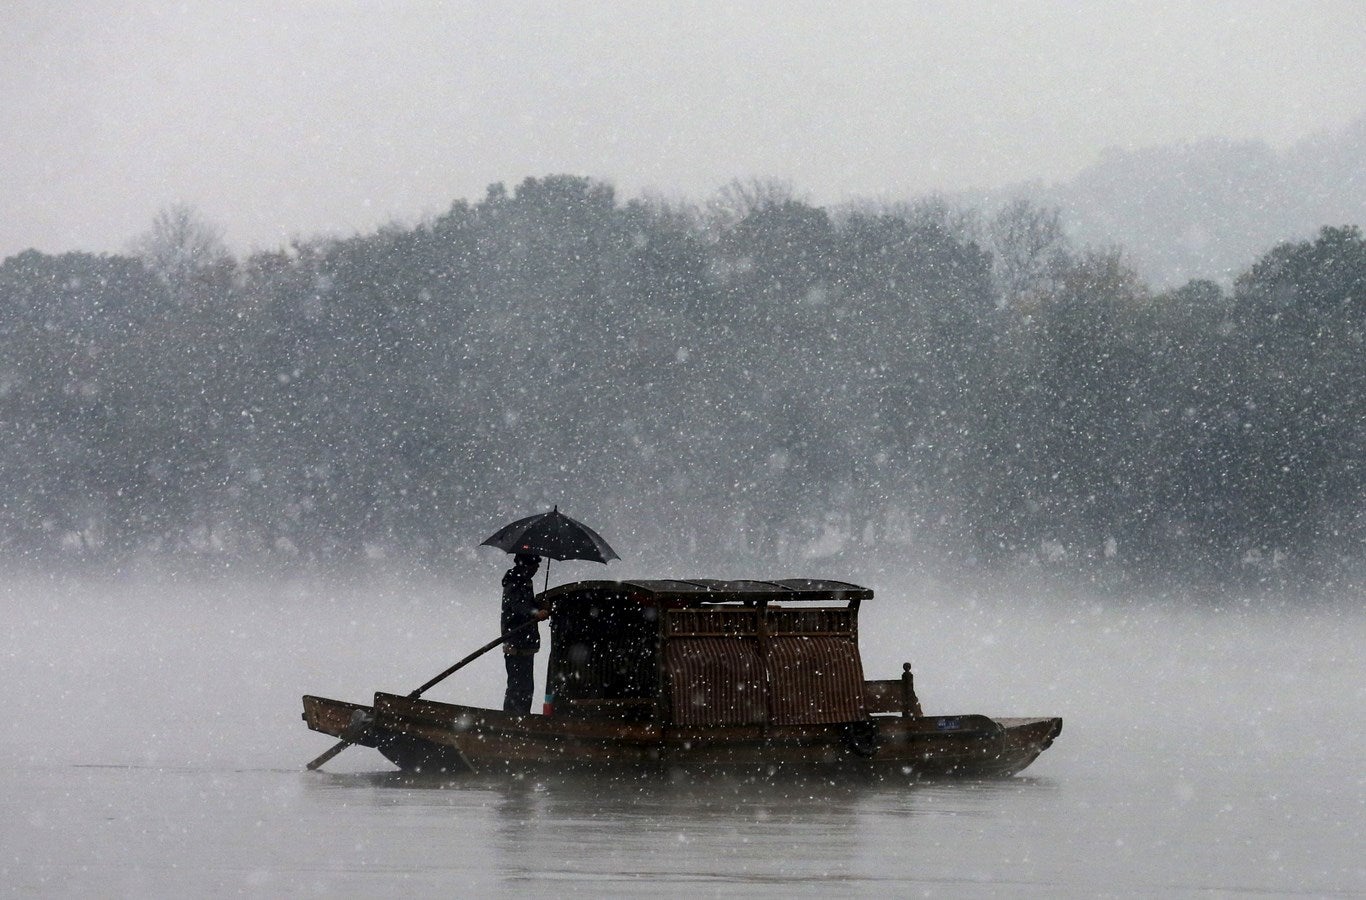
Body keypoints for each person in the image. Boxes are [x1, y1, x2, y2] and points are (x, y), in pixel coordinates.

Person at [500, 553, 547, 714]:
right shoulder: (515, 581)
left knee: (526, 686)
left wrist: (540, 605)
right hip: (515, 641)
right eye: (535, 565)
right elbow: (517, 606)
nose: (537, 568)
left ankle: (522, 717)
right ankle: (512, 719)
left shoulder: (526, 581)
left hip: (525, 641)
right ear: (526, 565)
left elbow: (526, 603)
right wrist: (535, 613)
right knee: (517, 685)